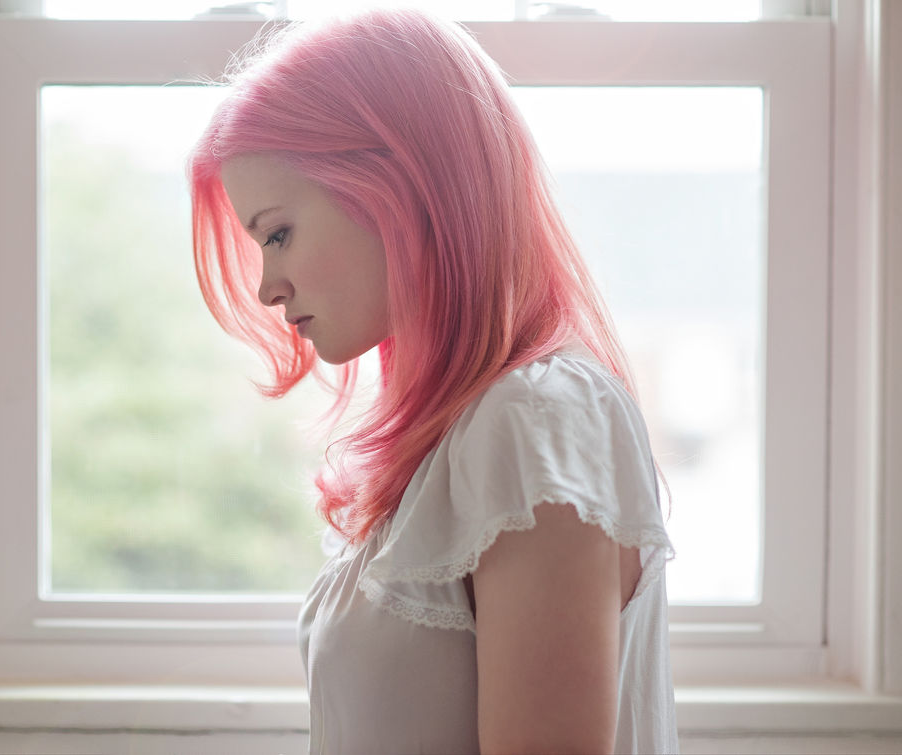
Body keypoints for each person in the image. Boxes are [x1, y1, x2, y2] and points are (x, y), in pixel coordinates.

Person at [188, 8, 677, 754]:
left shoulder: (536, 418)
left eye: (278, 233)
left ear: (397, 187)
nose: (267, 288)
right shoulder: (469, 427)